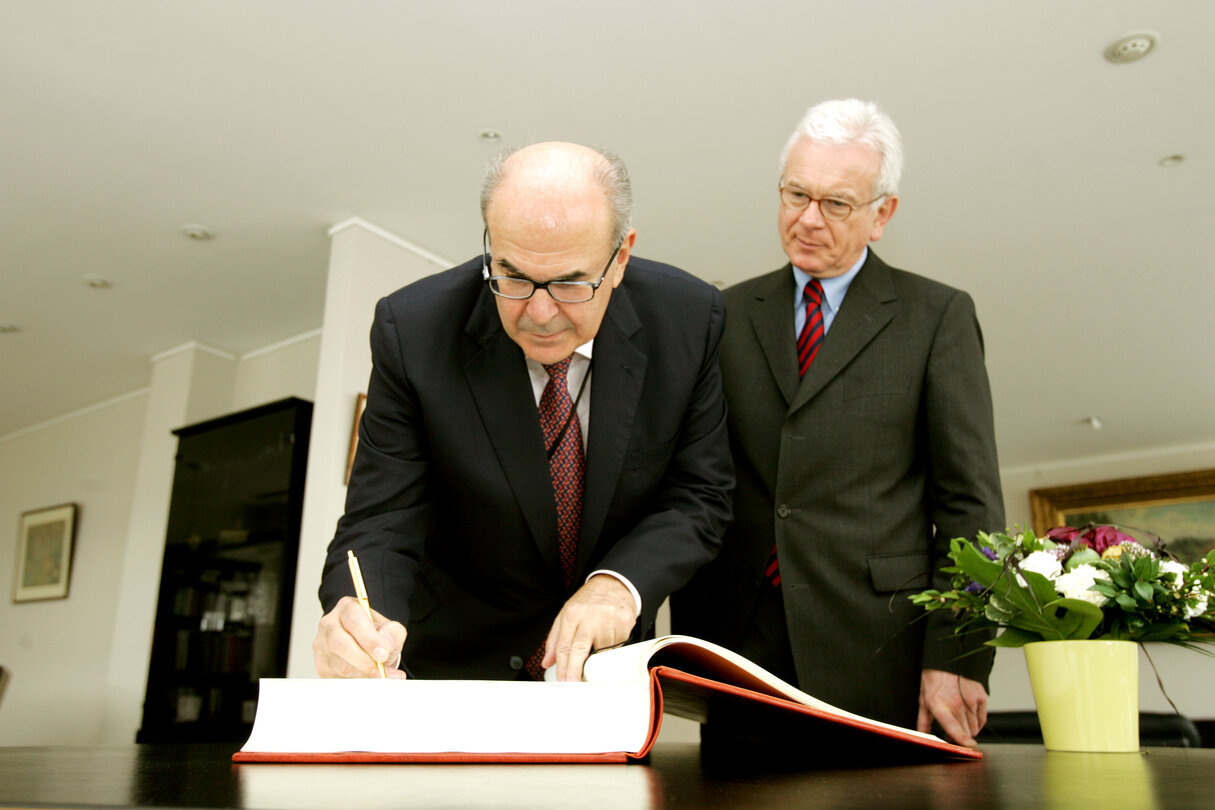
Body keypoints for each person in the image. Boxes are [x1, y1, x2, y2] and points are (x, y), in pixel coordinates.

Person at [313, 142, 733, 684]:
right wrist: (358, 620)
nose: (538, 313)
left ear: (621, 258)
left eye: (570, 283)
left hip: (602, 672)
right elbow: (381, 518)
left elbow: (700, 494)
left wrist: (616, 585)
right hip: (454, 668)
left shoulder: (687, 320)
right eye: (510, 276)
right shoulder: (413, 331)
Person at [671, 99, 1004, 748]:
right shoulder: (722, 315)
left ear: (882, 213)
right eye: (795, 194)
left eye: (835, 203)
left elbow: (971, 504)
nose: (805, 219)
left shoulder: (935, 316)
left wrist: (958, 656)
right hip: (735, 643)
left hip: (878, 642)